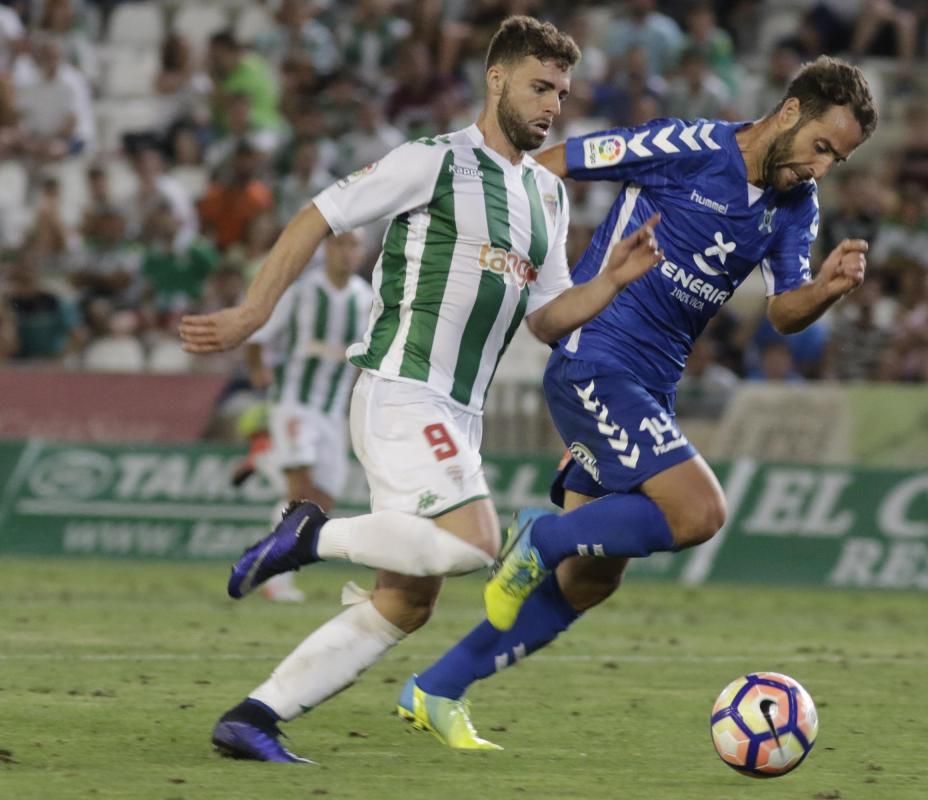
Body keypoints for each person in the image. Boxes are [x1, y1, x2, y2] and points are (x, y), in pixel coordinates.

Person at [178, 17, 665, 763]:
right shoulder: (434, 161)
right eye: (539, 87)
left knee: (407, 599)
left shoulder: (547, 194)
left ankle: (253, 717)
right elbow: (319, 214)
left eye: (561, 94)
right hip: (402, 389)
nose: (552, 107)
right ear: (495, 80)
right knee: (476, 545)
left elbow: (546, 319)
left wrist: (611, 283)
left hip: (456, 413)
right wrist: (254, 311)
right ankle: (309, 535)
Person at [404, 55, 877, 748]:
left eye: (839, 159)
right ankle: (538, 535)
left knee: (591, 579)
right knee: (699, 512)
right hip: (595, 359)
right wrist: (517, 262)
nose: (822, 168)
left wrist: (828, 289)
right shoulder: (687, 147)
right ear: (788, 114)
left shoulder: (795, 205)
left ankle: (436, 687)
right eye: (822, 147)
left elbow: (782, 311)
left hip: (650, 385)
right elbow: (554, 163)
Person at [245, 229, 373, 602]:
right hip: (294, 402)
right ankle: (276, 581)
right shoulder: (301, 292)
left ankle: (267, 460)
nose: (347, 253)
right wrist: (258, 370)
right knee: (299, 495)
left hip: (333, 412)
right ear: (327, 248)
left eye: (354, 245)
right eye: (341, 244)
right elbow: (259, 333)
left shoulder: (365, 299)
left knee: (321, 504)